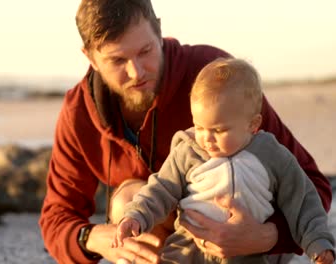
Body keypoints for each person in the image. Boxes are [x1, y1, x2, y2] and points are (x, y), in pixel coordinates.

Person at [39, 0, 333, 263]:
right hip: (178, 247)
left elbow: (312, 185)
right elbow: (56, 218)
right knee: (128, 201)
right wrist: (92, 238)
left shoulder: (216, 79)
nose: (136, 72)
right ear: (90, 57)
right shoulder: (80, 111)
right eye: (117, 60)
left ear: (159, 32)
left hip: (256, 242)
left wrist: (267, 236)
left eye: (145, 51)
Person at [113, 58, 335, 264]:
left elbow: (302, 199)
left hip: (247, 254)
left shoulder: (271, 154)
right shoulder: (188, 151)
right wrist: (136, 215)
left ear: (253, 124)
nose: (206, 138)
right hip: (188, 251)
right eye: (199, 127)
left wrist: (318, 243)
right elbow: (161, 188)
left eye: (219, 130)